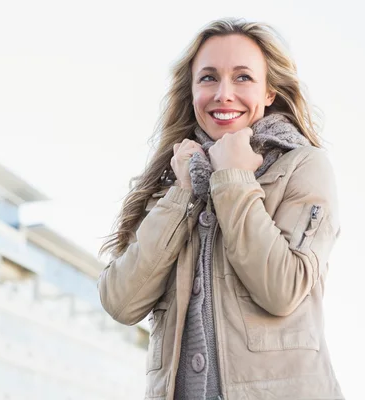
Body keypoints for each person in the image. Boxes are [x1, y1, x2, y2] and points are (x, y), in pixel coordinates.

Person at [98, 18, 344, 400]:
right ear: (192, 90)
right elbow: (120, 301)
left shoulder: (303, 167)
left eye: (243, 77)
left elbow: (283, 288)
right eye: (208, 78)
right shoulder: (172, 181)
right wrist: (181, 194)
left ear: (269, 92)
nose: (223, 93)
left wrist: (232, 177)